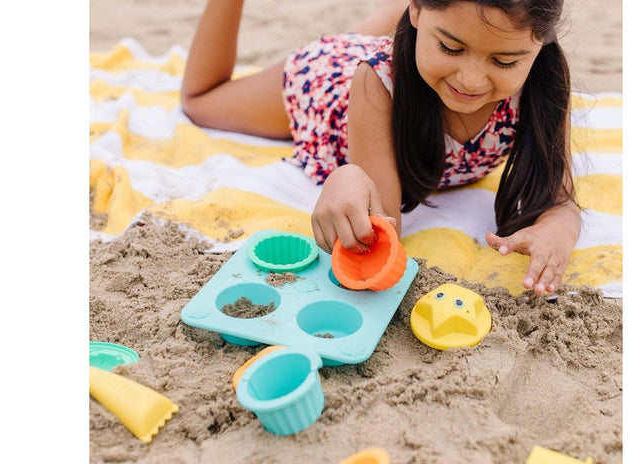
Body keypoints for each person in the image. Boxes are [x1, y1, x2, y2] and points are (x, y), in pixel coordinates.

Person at [181, 0, 580, 295]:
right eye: (451, 48)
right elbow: (382, 228)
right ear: (419, 13)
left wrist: (554, 234)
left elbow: (561, 200)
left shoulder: (544, 87)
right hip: (329, 87)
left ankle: (400, 32)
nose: (471, 80)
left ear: (540, 45)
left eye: (505, 62)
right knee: (200, 102)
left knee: (383, 40)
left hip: (406, 48)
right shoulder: (377, 82)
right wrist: (347, 175)